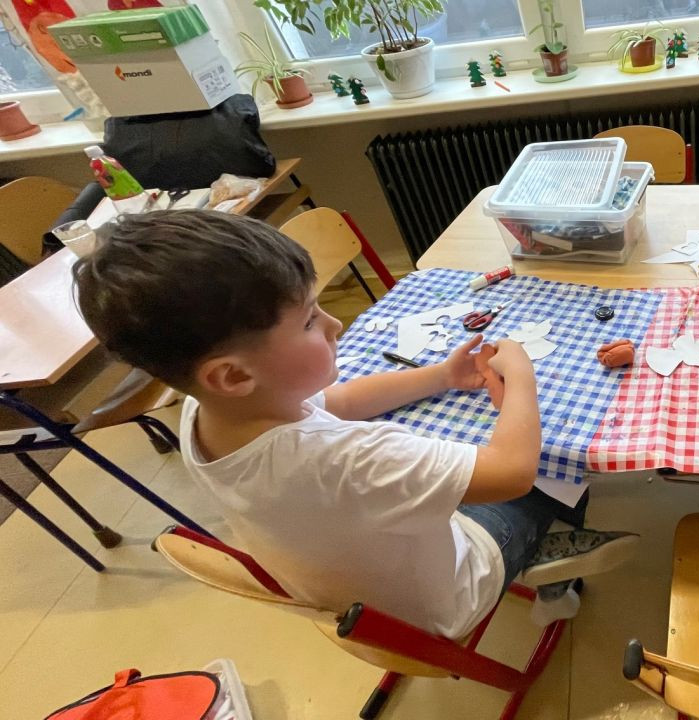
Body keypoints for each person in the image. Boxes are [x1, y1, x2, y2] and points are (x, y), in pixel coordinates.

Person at [73, 210, 638, 638]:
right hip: (443, 602)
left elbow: (337, 402)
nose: (335, 324)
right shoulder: (342, 458)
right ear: (233, 374)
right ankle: (555, 584)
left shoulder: (206, 410)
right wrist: (522, 376)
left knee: (471, 453)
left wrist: (442, 375)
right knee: (559, 465)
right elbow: (512, 471)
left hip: (359, 591)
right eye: (308, 321)